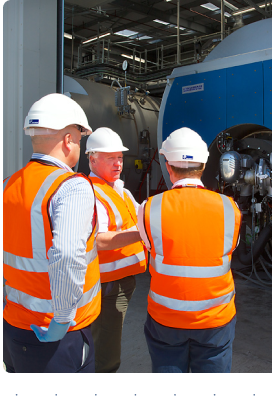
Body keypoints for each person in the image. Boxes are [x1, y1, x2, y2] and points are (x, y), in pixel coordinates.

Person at [2, 93, 101, 373]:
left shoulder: (10, 184)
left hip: (14, 327)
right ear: (69, 139)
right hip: (57, 335)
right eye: (80, 140)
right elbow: (68, 255)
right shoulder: (71, 186)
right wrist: (61, 319)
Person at [138, 127, 242, 373]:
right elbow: (230, 250)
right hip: (215, 320)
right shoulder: (230, 208)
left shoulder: (149, 209)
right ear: (204, 165)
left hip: (166, 320)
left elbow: (149, 246)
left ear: (168, 166)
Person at [86, 127, 146, 373]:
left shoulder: (120, 190)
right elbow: (98, 240)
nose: (118, 163)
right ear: (92, 159)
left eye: (120, 158)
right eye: (111, 158)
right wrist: (142, 234)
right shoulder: (91, 191)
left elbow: (142, 216)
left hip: (121, 281)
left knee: (102, 343)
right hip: (107, 285)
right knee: (106, 355)